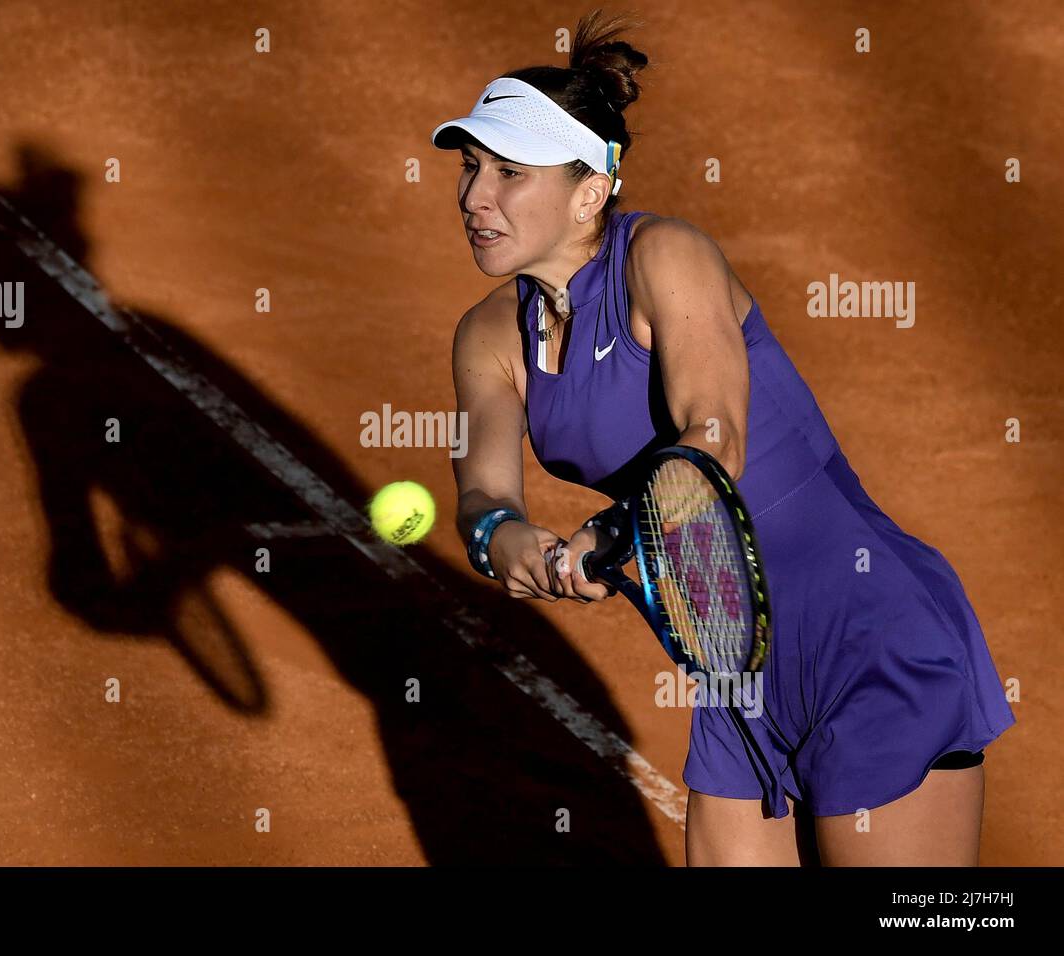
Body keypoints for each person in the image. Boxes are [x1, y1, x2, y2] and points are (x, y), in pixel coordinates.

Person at [431, 10, 1014, 865]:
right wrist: (506, 539)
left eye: (509, 172)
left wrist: (612, 533)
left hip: (866, 635)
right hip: (732, 659)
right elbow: (481, 494)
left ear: (590, 190)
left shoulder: (665, 256)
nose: (475, 195)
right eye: (472, 165)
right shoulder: (487, 336)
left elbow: (715, 438)